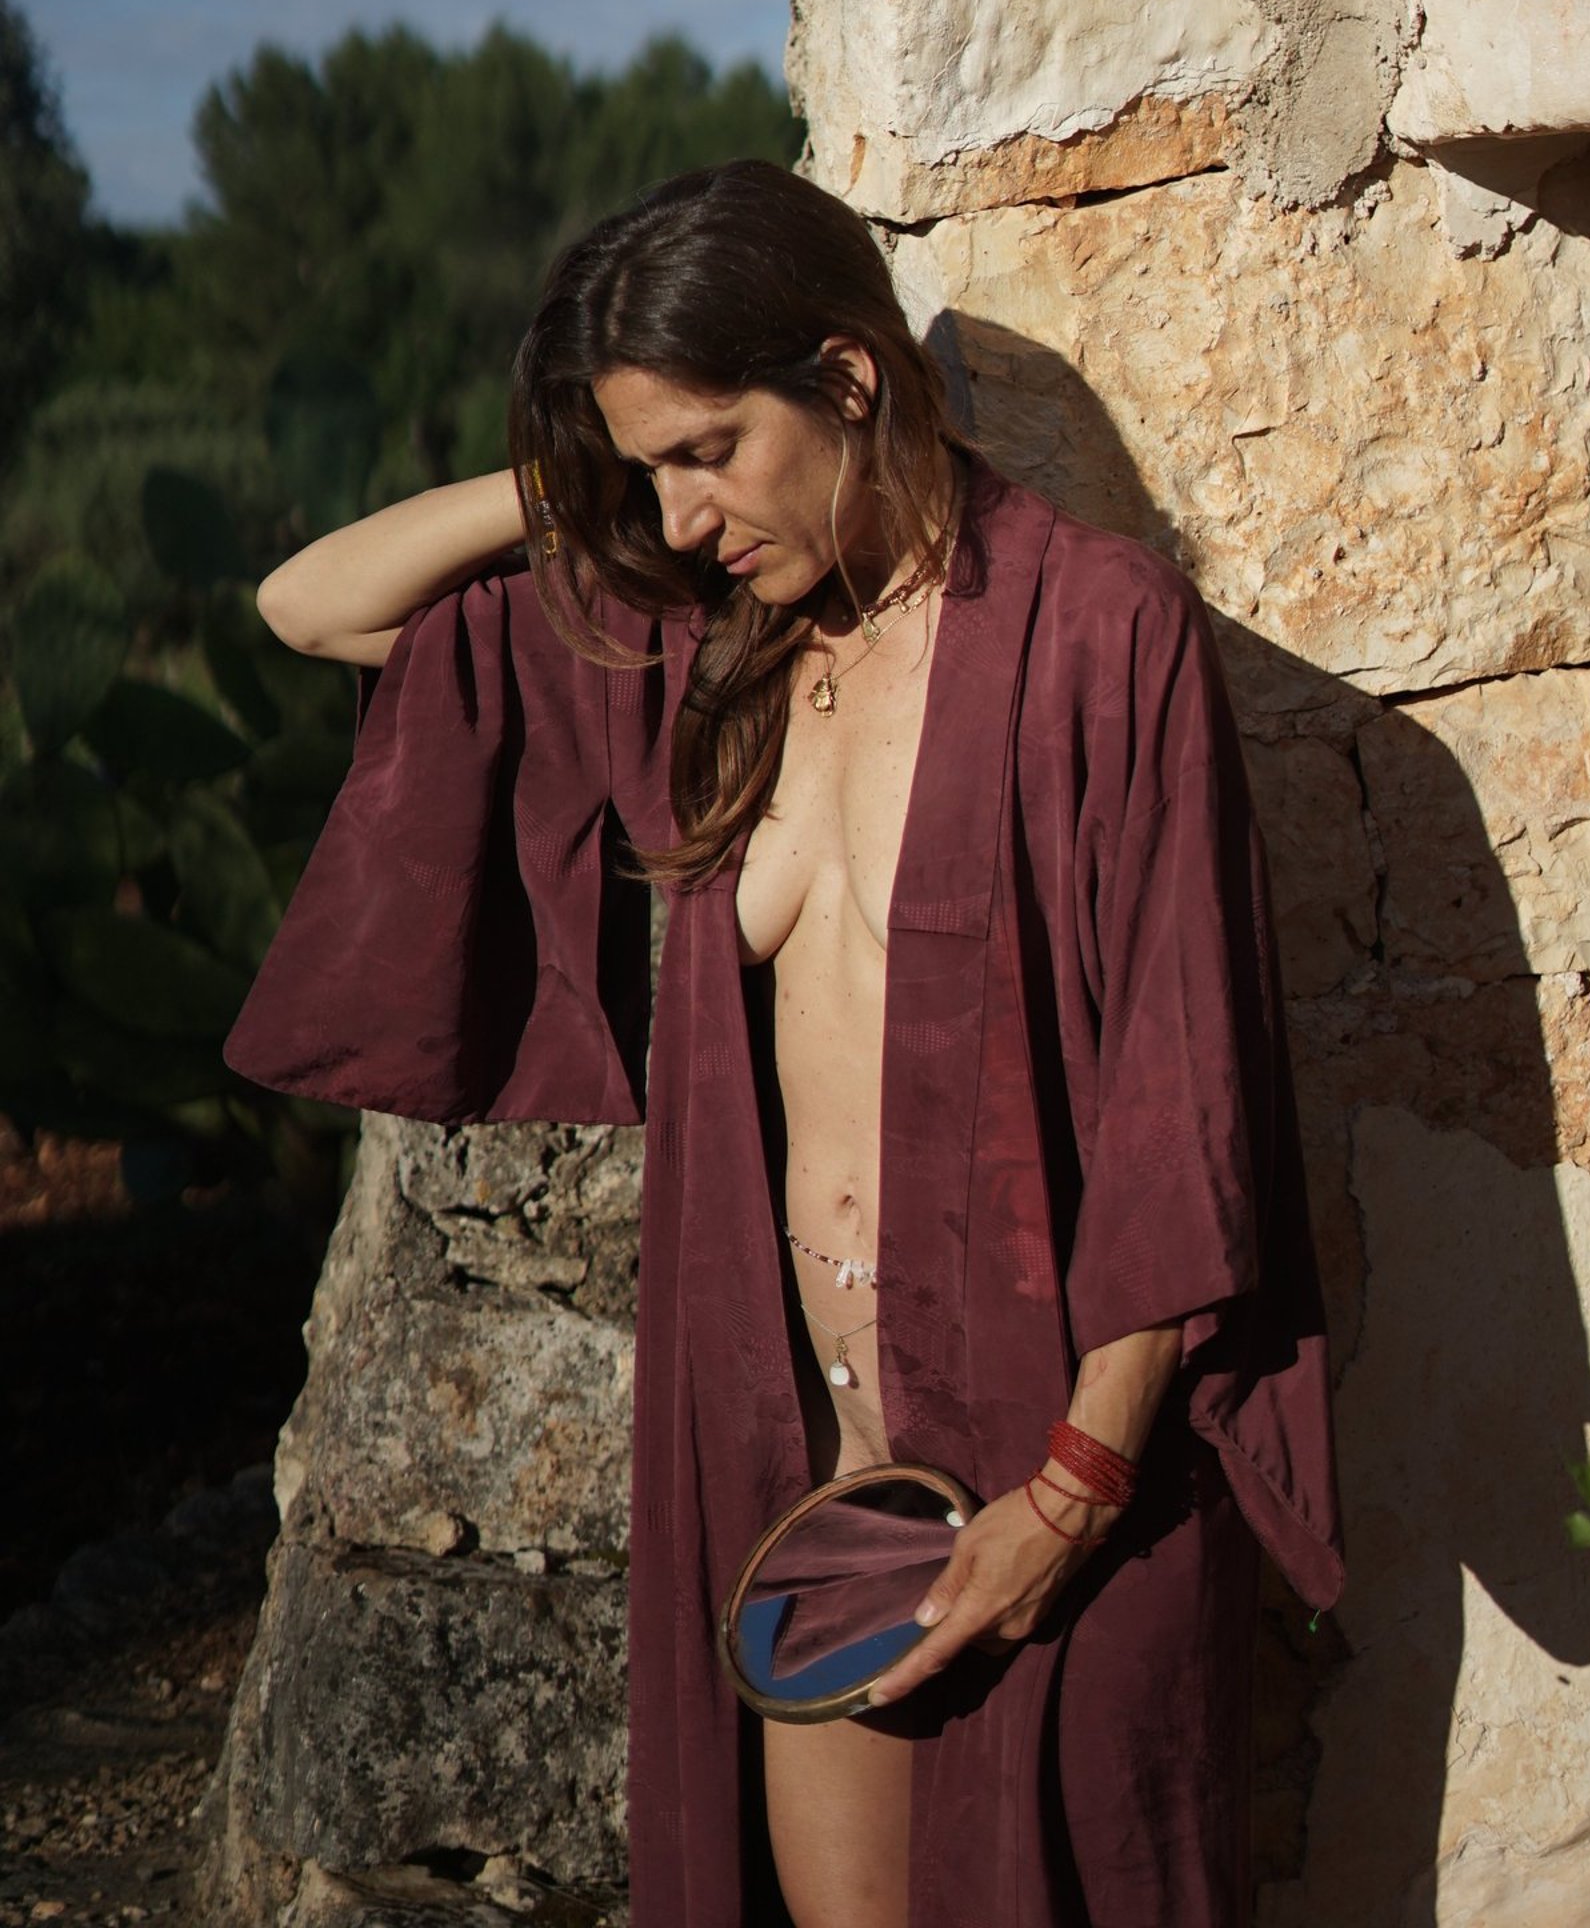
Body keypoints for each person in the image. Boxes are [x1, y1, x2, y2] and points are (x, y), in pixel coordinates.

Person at [227, 157, 1341, 1928]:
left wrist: (1072, 1497)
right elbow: (318, 608)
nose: (676, 520)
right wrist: (583, 478)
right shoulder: (706, 651)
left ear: (848, 379)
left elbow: (1178, 1107)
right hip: (810, 1490)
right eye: (645, 471)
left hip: (1062, 1486)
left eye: (707, 451)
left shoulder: (1094, 637)